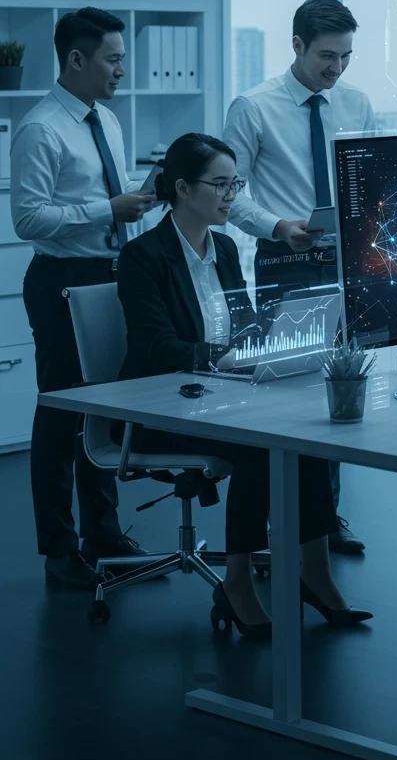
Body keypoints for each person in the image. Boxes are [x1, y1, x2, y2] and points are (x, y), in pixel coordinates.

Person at [115, 132, 372, 636]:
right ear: (184, 189)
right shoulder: (143, 257)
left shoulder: (228, 249)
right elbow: (157, 348)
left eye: (237, 184)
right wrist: (225, 358)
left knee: (305, 432)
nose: (232, 195)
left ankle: (315, 574)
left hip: (223, 397)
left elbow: (245, 321)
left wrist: (273, 341)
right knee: (262, 445)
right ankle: (236, 582)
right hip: (163, 409)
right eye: (221, 185)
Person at [224, 0, 377, 556]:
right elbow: (230, 191)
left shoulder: (356, 103)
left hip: (343, 260)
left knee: (340, 389)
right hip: (284, 259)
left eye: (345, 57)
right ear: (296, 46)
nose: (336, 69)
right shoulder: (254, 106)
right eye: (326, 57)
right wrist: (277, 226)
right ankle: (279, 522)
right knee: (292, 395)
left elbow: (366, 178)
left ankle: (325, 519)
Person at [11, 7, 156, 589]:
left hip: (110, 275)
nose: (122, 69)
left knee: (105, 410)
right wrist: (107, 210)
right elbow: (26, 217)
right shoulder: (41, 127)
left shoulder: (108, 121)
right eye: (113, 59)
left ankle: (105, 534)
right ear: (77, 59)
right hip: (61, 279)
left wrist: (138, 207)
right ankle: (58, 550)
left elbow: (113, 201)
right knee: (61, 413)